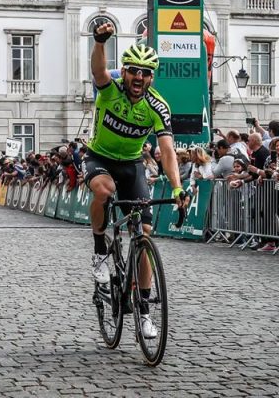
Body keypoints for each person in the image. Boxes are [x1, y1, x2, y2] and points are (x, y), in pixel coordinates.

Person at [84, 22, 186, 340]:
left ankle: (143, 311)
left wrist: (177, 186)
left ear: (151, 77)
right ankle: (100, 249)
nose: (138, 77)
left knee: (143, 235)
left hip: (131, 166)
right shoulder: (109, 88)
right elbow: (99, 70)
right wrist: (100, 42)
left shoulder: (157, 106)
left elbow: (167, 151)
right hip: (99, 158)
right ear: (124, 72)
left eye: (145, 73)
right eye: (133, 71)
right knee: (105, 189)